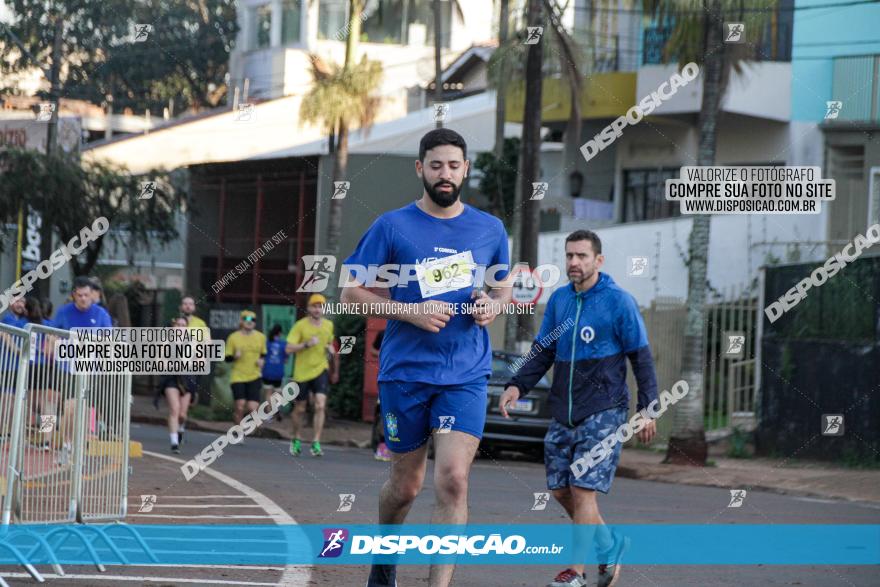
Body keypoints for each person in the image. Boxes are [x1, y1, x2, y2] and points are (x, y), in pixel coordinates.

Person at [340, 128, 511, 587]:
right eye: (436, 165)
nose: (445, 174)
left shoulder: (490, 229)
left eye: (454, 165)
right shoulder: (392, 226)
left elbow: (503, 285)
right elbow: (350, 291)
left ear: (466, 169)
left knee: (453, 480)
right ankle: (384, 565)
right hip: (407, 373)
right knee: (406, 487)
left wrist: (492, 305)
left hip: (465, 374)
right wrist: (409, 312)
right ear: (420, 169)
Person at [500, 230, 659, 587]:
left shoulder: (618, 301)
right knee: (560, 490)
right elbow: (543, 350)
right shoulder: (559, 301)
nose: (574, 262)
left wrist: (649, 409)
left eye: (582, 256)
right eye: (570, 255)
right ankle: (609, 544)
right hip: (564, 411)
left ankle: (575, 573)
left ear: (598, 260)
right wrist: (516, 384)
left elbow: (642, 358)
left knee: (583, 488)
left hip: (606, 409)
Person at [286, 294, 338, 457]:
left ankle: (316, 442)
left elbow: (330, 347)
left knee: (320, 405)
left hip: (321, 369)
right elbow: (288, 348)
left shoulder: (328, 325)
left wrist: (331, 351)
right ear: (308, 308)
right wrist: (306, 344)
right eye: (314, 306)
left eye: (320, 306)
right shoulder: (300, 326)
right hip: (302, 373)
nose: (317, 309)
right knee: (300, 408)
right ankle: (296, 438)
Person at [159, 316, 199, 453]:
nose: (180, 328)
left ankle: (181, 428)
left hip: (187, 377)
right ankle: (174, 442)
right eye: (178, 325)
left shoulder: (192, 343)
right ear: (173, 326)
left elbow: (200, 360)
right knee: (174, 409)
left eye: (183, 325)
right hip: (171, 377)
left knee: (182, 414)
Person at [224, 310, 265, 433]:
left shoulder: (261, 337)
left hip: (254, 376)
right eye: (247, 320)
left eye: (253, 320)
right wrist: (234, 357)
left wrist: (262, 361)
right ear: (241, 321)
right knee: (240, 405)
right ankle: (238, 430)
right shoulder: (233, 337)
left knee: (253, 408)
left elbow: (263, 354)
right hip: (238, 376)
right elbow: (227, 358)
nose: (250, 322)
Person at [370, 330, 391, 462]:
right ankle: (382, 444)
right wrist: (385, 354)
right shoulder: (383, 333)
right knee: (385, 411)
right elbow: (373, 351)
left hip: (412, 379)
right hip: (387, 378)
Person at [262, 324, 289, 419]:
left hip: (267, 371)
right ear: (280, 333)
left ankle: (269, 415)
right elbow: (286, 360)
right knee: (277, 392)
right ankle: (276, 409)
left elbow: (263, 357)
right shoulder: (283, 344)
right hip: (278, 372)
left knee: (268, 393)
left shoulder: (267, 343)